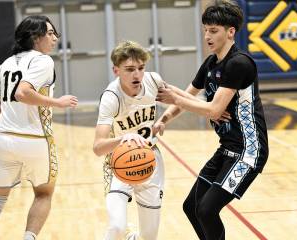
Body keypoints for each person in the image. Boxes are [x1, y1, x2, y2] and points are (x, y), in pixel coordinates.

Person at [155, 1, 269, 240]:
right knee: (191, 207)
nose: (207, 35)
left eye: (214, 30)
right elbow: (188, 97)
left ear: (230, 32)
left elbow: (214, 111)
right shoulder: (210, 64)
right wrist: (164, 118)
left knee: (207, 210)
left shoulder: (239, 63)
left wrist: (179, 97)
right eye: (205, 29)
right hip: (227, 149)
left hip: (248, 150)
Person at [0, 16, 78, 240]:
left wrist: (8, 114)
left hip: (4, 140)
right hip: (35, 140)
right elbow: (23, 93)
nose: (55, 38)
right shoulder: (43, 61)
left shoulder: (7, 63)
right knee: (44, 194)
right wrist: (58, 103)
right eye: (51, 33)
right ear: (36, 37)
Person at [93, 40, 165, 240]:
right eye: (130, 69)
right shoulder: (111, 97)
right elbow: (98, 147)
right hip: (119, 163)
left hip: (150, 161)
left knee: (149, 237)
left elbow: (179, 99)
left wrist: (163, 120)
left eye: (141, 68)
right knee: (117, 227)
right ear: (116, 70)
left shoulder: (153, 81)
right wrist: (125, 137)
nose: (137, 75)